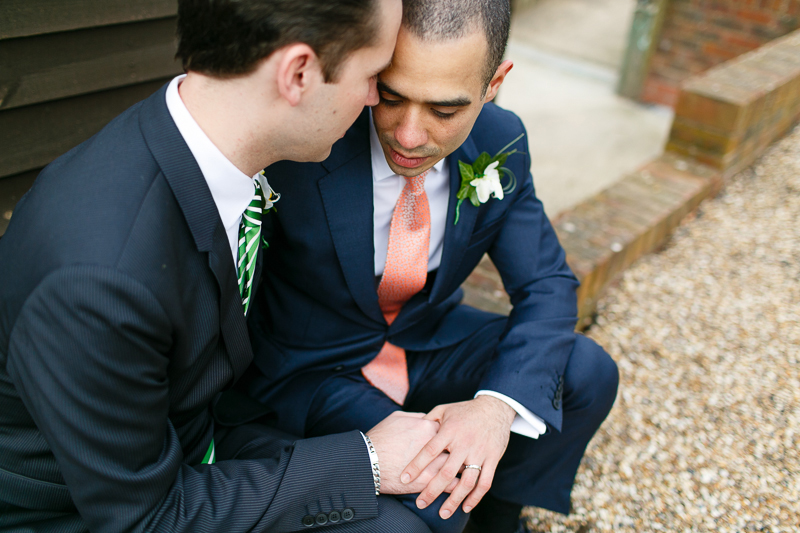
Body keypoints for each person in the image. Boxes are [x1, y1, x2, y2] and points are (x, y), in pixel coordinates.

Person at [0, 1, 450, 531]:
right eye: (373, 74)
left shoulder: (202, 138)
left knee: (427, 501)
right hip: (88, 508)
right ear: (299, 73)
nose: (375, 97)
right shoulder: (101, 279)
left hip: (199, 429)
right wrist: (367, 461)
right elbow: (147, 517)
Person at [246, 1, 620, 532]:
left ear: (493, 84)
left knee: (585, 372)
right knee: (436, 484)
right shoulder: (309, 143)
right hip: (317, 368)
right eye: (391, 96)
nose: (409, 135)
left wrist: (495, 408)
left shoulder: (500, 141)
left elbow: (546, 283)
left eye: (444, 111)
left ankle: (499, 520)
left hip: (424, 340)